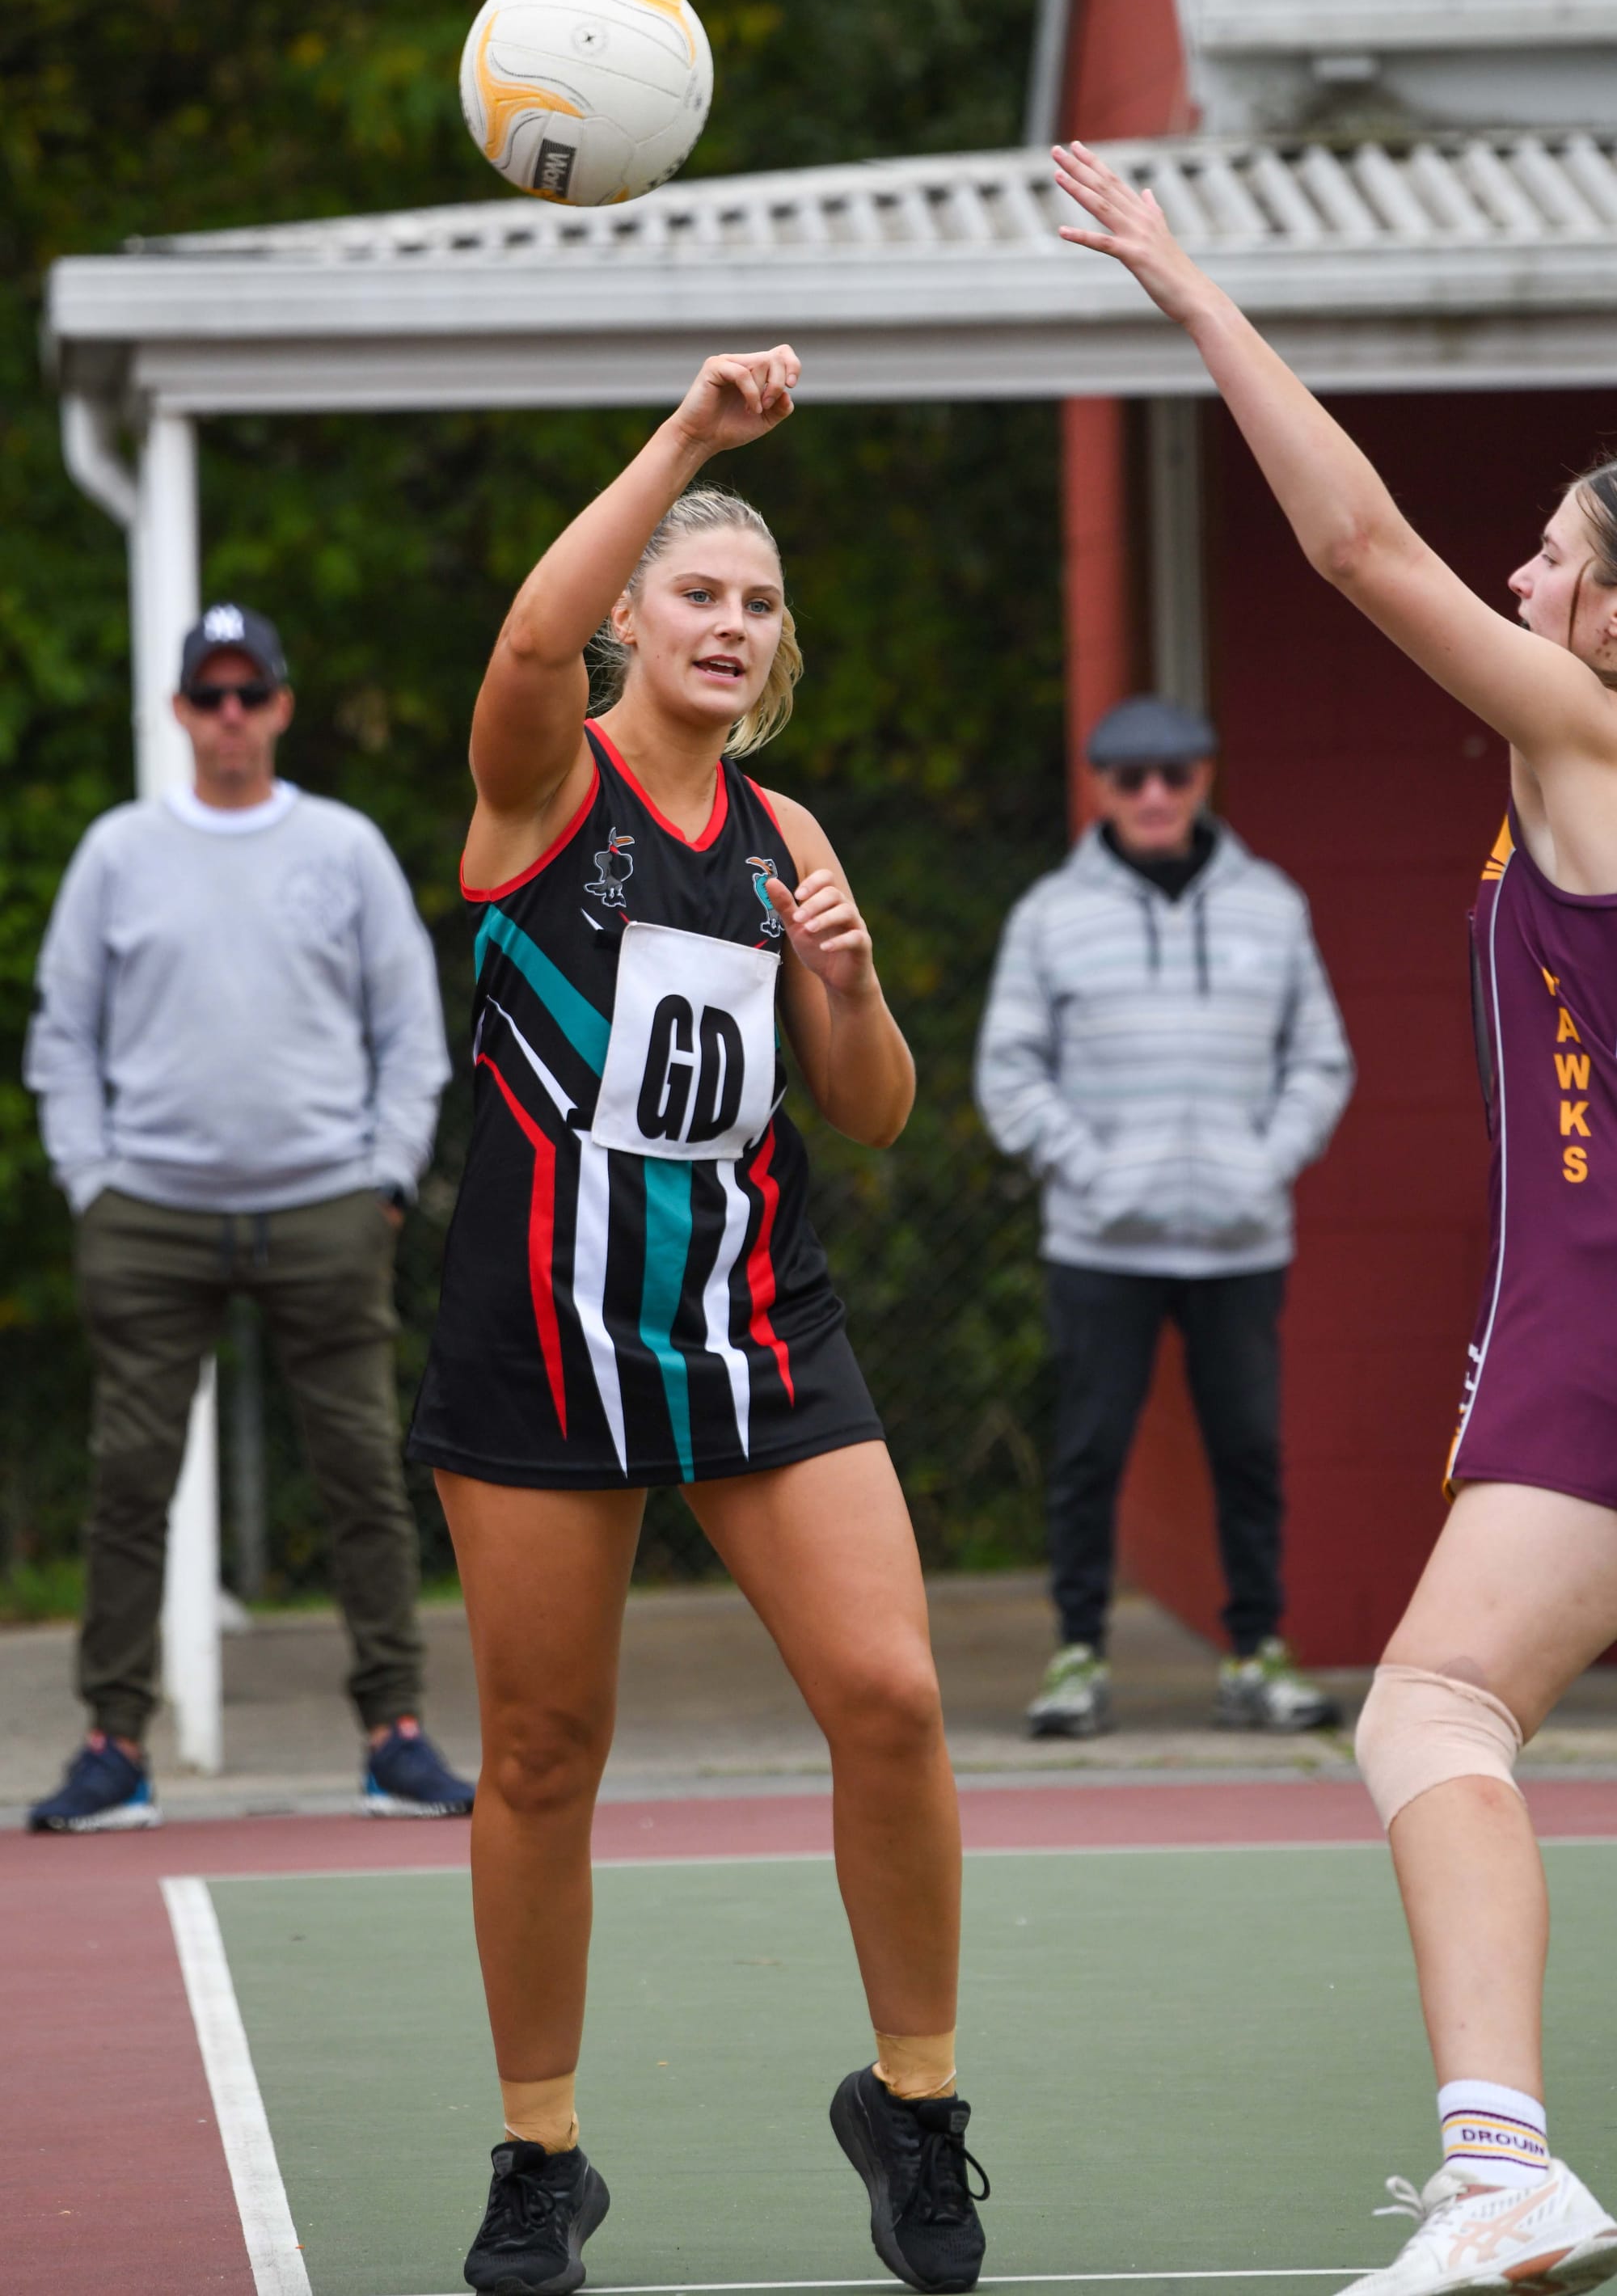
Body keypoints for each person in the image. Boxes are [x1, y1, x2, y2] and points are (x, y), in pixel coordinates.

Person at [1049, 137, 1617, 2296]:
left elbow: (1359, 540)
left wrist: (1192, 288)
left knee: (1434, 1713)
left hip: (1598, 1305)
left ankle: (1504, 2168)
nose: (1520, 579)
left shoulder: (1582, 735)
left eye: (1553, 563)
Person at [407, 347, 990, 2296]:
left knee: (893, 1699)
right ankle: (538, 2153)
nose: (730, 624)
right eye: (696, 593)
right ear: (628, 627)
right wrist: (690, 439)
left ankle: (914, 2109)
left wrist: (853, 985)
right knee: (544, 1755)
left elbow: (875, 1108)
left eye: (757, 604)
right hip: (545, 1345)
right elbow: (515, 639)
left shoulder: (784, 838)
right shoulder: (539, 787)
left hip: (755, 1334)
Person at [23, 601, 472, 1830]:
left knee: (363, 1478)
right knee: (129, 1482)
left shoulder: (344, 846)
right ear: (180, 712)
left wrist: (387, 1175)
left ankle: (396, 1735)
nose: (229, 718)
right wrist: (90, 1180)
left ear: (278, 706)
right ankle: (115, 1743)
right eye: (207, 697)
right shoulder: (119, 852)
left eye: (249, 694)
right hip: (150, 1216)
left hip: (325, 1208)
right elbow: (63, 1035)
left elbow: (409, 1034)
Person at [975, 694, 1353, 1738]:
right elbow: (1008, 1072)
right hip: (1101, 1244)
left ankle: (1255, 1651)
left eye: (1175, 774)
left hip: (1239, 1242)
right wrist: (1091, 1172)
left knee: (1247, 1448)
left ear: (1204, 778)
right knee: (1091, 1449)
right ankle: (1077, 1656)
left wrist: (1264, 1165)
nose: (1154, 795)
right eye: (1132, 777)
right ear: (1100, 786)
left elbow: (1320, 1059)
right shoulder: (1051, 915)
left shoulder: (1271, 906)